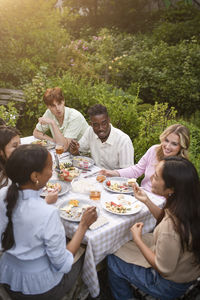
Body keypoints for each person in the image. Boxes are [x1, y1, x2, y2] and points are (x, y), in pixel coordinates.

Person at [0, 144, 97, 300]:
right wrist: (83, 226)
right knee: (86, 250)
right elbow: (63, 264)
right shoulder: (48, 213)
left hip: (8, 277)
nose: (52, 172)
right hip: (39, 290)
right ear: (35, 176)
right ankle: (86, 292)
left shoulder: (3, 194)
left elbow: (23, 219)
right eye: (50, 168)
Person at [107, 156, 200, 300]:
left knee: (113, 259)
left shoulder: (171, 228)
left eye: (156, 177)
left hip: (168, 285)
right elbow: (166, 219)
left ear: (171, 189)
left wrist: (138, 239)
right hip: (188, 269)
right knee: (121, 244)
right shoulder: (188, 204)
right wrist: (147, 201)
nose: (150, 177)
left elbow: (163, 269)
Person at [100, 123, 190, 192]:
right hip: (142, 194)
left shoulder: (181, 167)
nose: (167, 146)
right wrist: (113, 173)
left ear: (182, 146)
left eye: (174, 144)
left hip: (161, 205)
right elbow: (137, 170)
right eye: (166, 140)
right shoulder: (154, 150)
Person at [0, 126, 56, 205]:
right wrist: (46, 202)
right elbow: (16, 211)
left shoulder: (14, 166)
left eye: (20, 144)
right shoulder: (4, 181)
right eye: (15, 146)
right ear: (1, 151)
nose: (20, 148)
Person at [69, 104, 134, 170]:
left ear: (109, 120)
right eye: (96, 125)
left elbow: (128, 173)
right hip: (95, 176)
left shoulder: (123, 141)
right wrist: (75, 151)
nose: (101, 128)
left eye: (104, 123)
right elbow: (79, 150)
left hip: (115, 179)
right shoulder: (90, 131)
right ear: (91, 124)